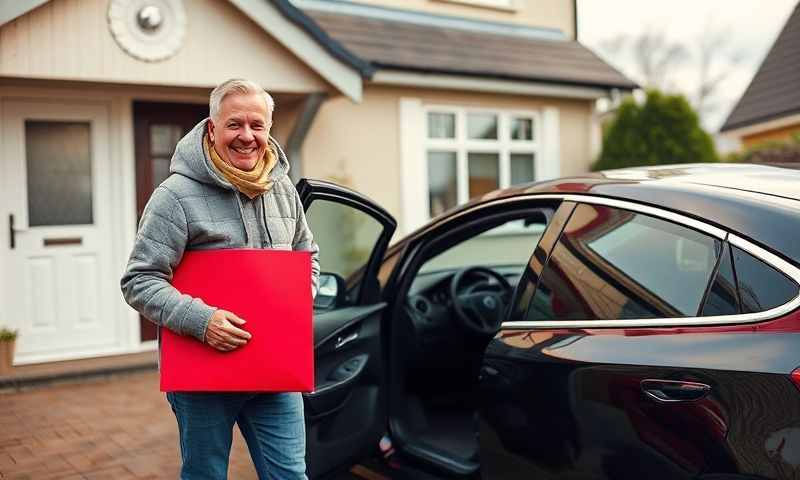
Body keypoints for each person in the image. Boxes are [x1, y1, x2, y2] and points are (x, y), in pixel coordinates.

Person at [121, 78, 320, 479]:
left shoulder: (282, 189)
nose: (247, 136)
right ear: (212, 128)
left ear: (268, 130)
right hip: (203, 375)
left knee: (291, 476)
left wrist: (293, 302)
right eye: (234, 125)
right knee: (206, 474)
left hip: (275, 369)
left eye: (256, 125)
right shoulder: (174, 195)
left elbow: (307, 258)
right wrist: (202, 321)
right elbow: (140, 280)